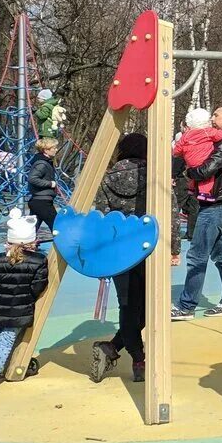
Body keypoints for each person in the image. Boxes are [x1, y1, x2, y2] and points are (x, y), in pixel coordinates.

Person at [172, 103, 222, 320]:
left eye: (217, 115)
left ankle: (186, 306)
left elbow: (206, 169)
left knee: (197, 255)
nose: (213, 118)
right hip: (221, 203)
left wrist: (187, 171)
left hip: (215, 205)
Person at [90, 133, 149, 384]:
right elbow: (168, 209)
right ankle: (137, 358)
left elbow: (100, 218)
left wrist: (101, 252)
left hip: (118, 251)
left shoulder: (107, 178)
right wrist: (174, 247)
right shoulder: (153, 177)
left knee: (128, 305)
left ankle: (114, 348)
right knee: (145, 308)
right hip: (148, 247)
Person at [0, 208, 48, 391]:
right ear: (32, 241)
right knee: (6, 340)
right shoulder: (39, 261)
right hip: (20, 310)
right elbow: (37, 287)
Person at [172, 108, 222, 202]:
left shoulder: (186, 134)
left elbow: (178, 147)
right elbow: (220, 135)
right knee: (207, 176)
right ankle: (204, 193)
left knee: (193, 172)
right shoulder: (207, 131)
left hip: (189, 160)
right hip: (202, 158)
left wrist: (177, 153)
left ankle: (191, 189)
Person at [27, 136, 60, 233]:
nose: (56, 150)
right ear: (46, 150)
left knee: (31, 230)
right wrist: (50, 184)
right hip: (42, 202)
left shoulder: (46, 162)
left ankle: (24, 245)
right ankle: (63, 246)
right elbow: (32, 179)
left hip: (39, 201)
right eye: (54, 148)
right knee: (56, 227)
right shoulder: (42, 163)